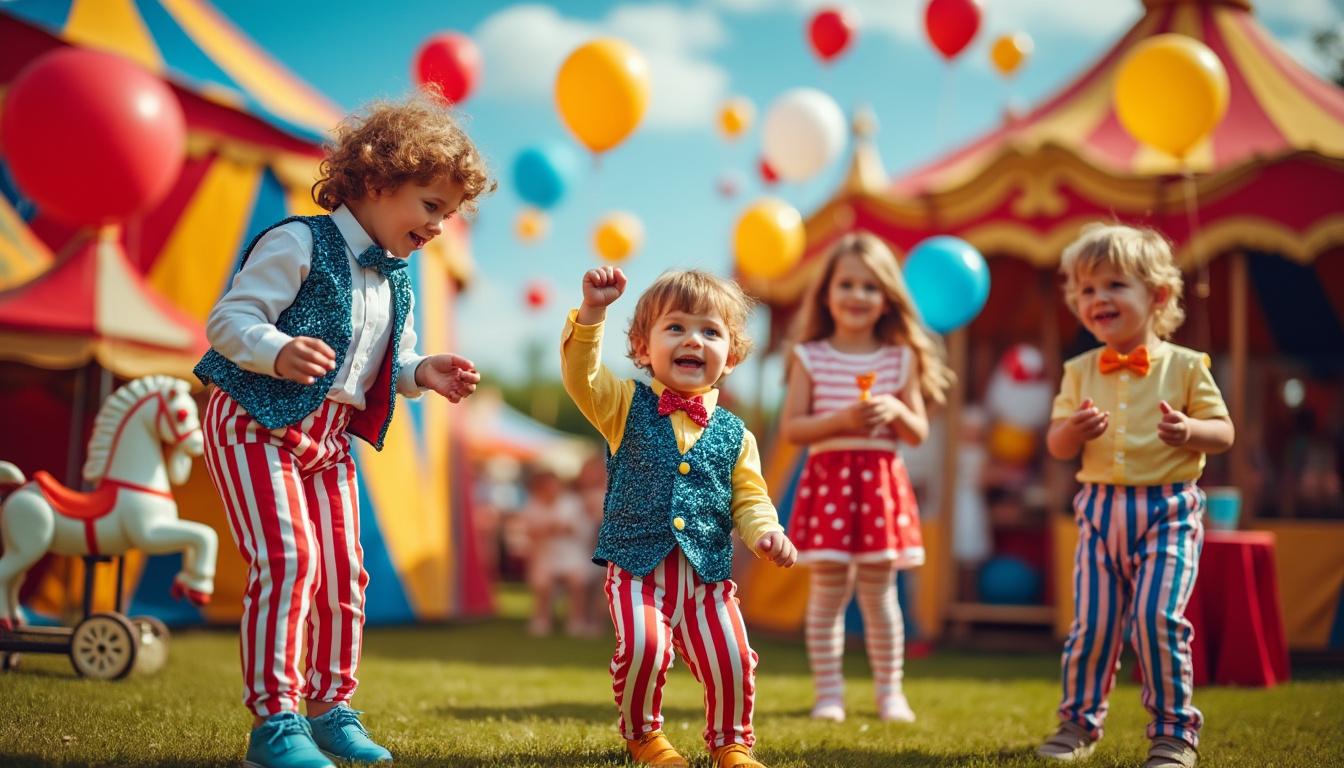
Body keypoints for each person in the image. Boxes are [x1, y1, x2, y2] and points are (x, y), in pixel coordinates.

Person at [194, 92, 492, 768]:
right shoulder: (298, 241)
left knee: (345, 576)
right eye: (430, 205)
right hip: (254, 419)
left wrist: (425, 372)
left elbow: (392, 361)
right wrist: (276, 349)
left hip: (326, 440)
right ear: (378, 182)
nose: (439, 226)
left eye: (447, 214)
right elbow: (227, 322)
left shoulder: (399, 281)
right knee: (291, 562)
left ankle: (331, 710)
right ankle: (275, 724)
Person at [561, 266, 797, 768]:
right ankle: (644, 735)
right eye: (676, 327)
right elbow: (581, 374)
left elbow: (750, 499)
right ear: (644, 348)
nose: (693, 338)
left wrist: (767, 532)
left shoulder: (738, 434)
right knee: (646, 648)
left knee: (732, 660)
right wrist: (593, 312)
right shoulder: (624, 404)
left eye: (710, 331)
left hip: (707, 578)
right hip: (636, 569)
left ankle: (731, 744)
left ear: (729, 355)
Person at [1037, 224, 1233, 768]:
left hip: (1169, 510)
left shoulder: (1188, 365)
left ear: (1159, 296)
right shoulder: (1078, 371)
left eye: (1114, 285)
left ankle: (1173, 733)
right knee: (1093, 625)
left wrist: (1190, 432)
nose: (1097, 298)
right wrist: (1073, 430)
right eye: (1086, 289)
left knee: (1156, 619)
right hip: (1099, 512)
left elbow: (1224, 431)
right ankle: (1078, 723)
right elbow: (1055, 445)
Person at [778, 232, 953, 724]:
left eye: (870, 287)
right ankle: (828, 693)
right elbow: (794, 428)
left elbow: (917, 432)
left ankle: (889, 692)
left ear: (887, 299)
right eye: (847, 284)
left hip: (878, 483)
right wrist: (841, 421)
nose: (857, 296)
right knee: (828, 591)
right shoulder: (809, 355)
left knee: (880, 593)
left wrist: (896, 406)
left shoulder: (900, 358)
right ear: (827, 293)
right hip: (829, 479)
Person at [520, 459, 596, 637]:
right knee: (543, 583)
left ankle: (576, 620)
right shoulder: (532, 505)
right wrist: (550, 529)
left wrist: (558, 529)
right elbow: (530, 531)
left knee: (577, 581)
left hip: (572, 555)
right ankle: (542, 619)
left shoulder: (572, 503)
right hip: (545, 557)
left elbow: (581, 529)